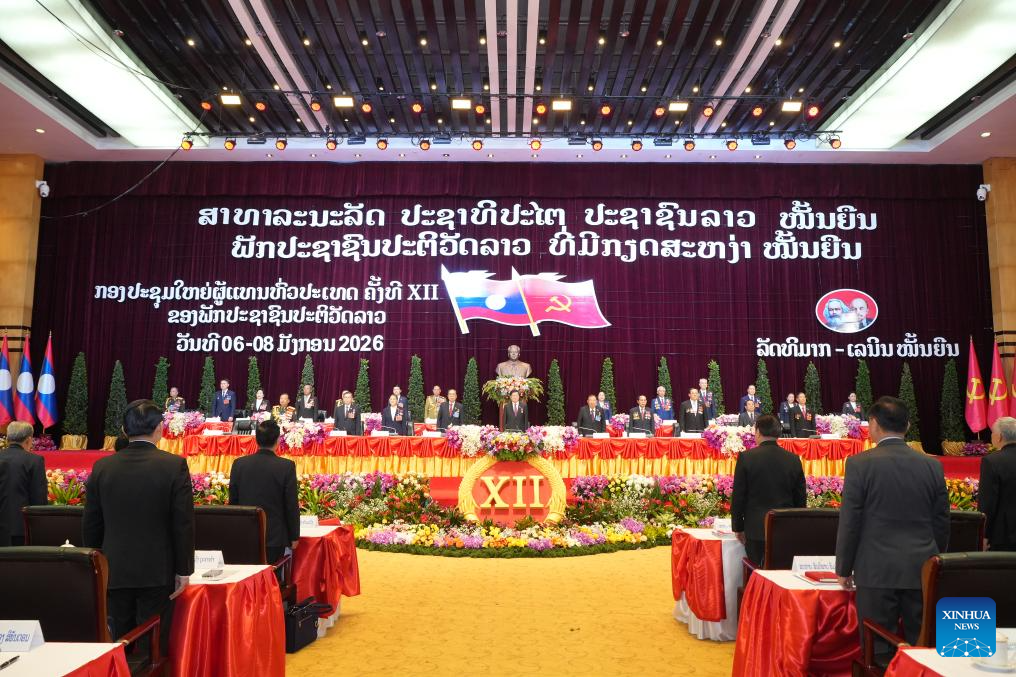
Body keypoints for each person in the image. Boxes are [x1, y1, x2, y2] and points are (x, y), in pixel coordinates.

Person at [835, 396, 949, 651]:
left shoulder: (859, 463)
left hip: (875, 570)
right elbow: (941, 521)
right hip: (921, 568)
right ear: (907, 425)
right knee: (923, 648)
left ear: (873, 424)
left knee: (877, 649)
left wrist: (843, 568)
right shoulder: (932, 465)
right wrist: (934, 560)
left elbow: (851, 520)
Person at [82, 399, 194, 655]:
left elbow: (91, 523)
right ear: (159, 429)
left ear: (124, 429)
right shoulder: (174, 465)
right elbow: (182, 522)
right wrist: (183, 569)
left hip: (114, 569)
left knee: (118, 643)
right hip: (158, 570)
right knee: (152, 647)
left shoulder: (103, 466)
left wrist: (96, 565)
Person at [731, 415, 807, 565]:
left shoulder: (747, 457)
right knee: (781, 572)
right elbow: (800, 498)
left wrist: (738, 527)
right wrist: (797, 527)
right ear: (778, 432)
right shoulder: (793, 459)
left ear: (758, 432)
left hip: (755, 529)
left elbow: (739, 496)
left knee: (757, 572)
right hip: (785, 528)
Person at [228, 420, 299, 563]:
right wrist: (294, 536)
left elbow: (233, 501)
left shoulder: (239, 464)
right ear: (278, 440)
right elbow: (291, 505)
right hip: (275, 536)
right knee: (273, 575)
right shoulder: (286, 466)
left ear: (256, 440)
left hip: (245, 533)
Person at [0, 421, 47, 546]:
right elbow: (39, 497)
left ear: (8, 438)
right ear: (28, 440)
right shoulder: (34, 461)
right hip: (22, 528)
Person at [979, 416, 1016, 551]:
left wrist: (983, 535)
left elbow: (988, 502)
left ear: (999, 437)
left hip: (1004, 536)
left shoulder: (992, 461)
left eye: (992, 433)